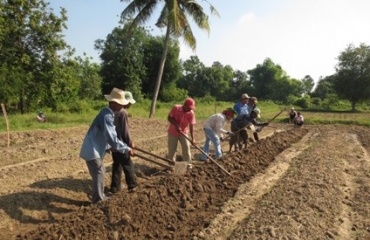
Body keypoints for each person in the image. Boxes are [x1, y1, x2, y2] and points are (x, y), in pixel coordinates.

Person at [79, 87, 133, 204]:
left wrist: (114, 147)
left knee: (99, 172)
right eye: (120, 104)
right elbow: (112, 138)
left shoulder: (107, 112)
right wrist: (126, 149)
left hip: (95, 149)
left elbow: (107, 138)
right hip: (92, 150)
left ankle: (98, 197)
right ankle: (98, 200)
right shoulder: (107, 116)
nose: (122, 107)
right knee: (100, 172)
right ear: (113, 103)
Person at [110, 91, 138, 194]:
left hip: (113, 144)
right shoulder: (123, 112)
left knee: (117, 164)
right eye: (129, 102)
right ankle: (132, 185)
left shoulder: (113, 111)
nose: (130, 104)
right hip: (121, 144)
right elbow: (125, 131)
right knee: (127, 163)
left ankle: (115, 187)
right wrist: (130, 144)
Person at [167, 98, 196, 168]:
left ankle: (188, 165)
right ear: (185, 105)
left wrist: (193, 139)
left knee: (186, 147)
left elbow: (191, 126)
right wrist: (176, 125)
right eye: (189, 108)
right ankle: (171, 165)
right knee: (172, 149)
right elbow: (169, 118)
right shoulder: (176, 108)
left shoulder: (191, 113)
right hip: (173, 132)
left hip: (184, 132)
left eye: (191, 108)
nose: (190, 109)